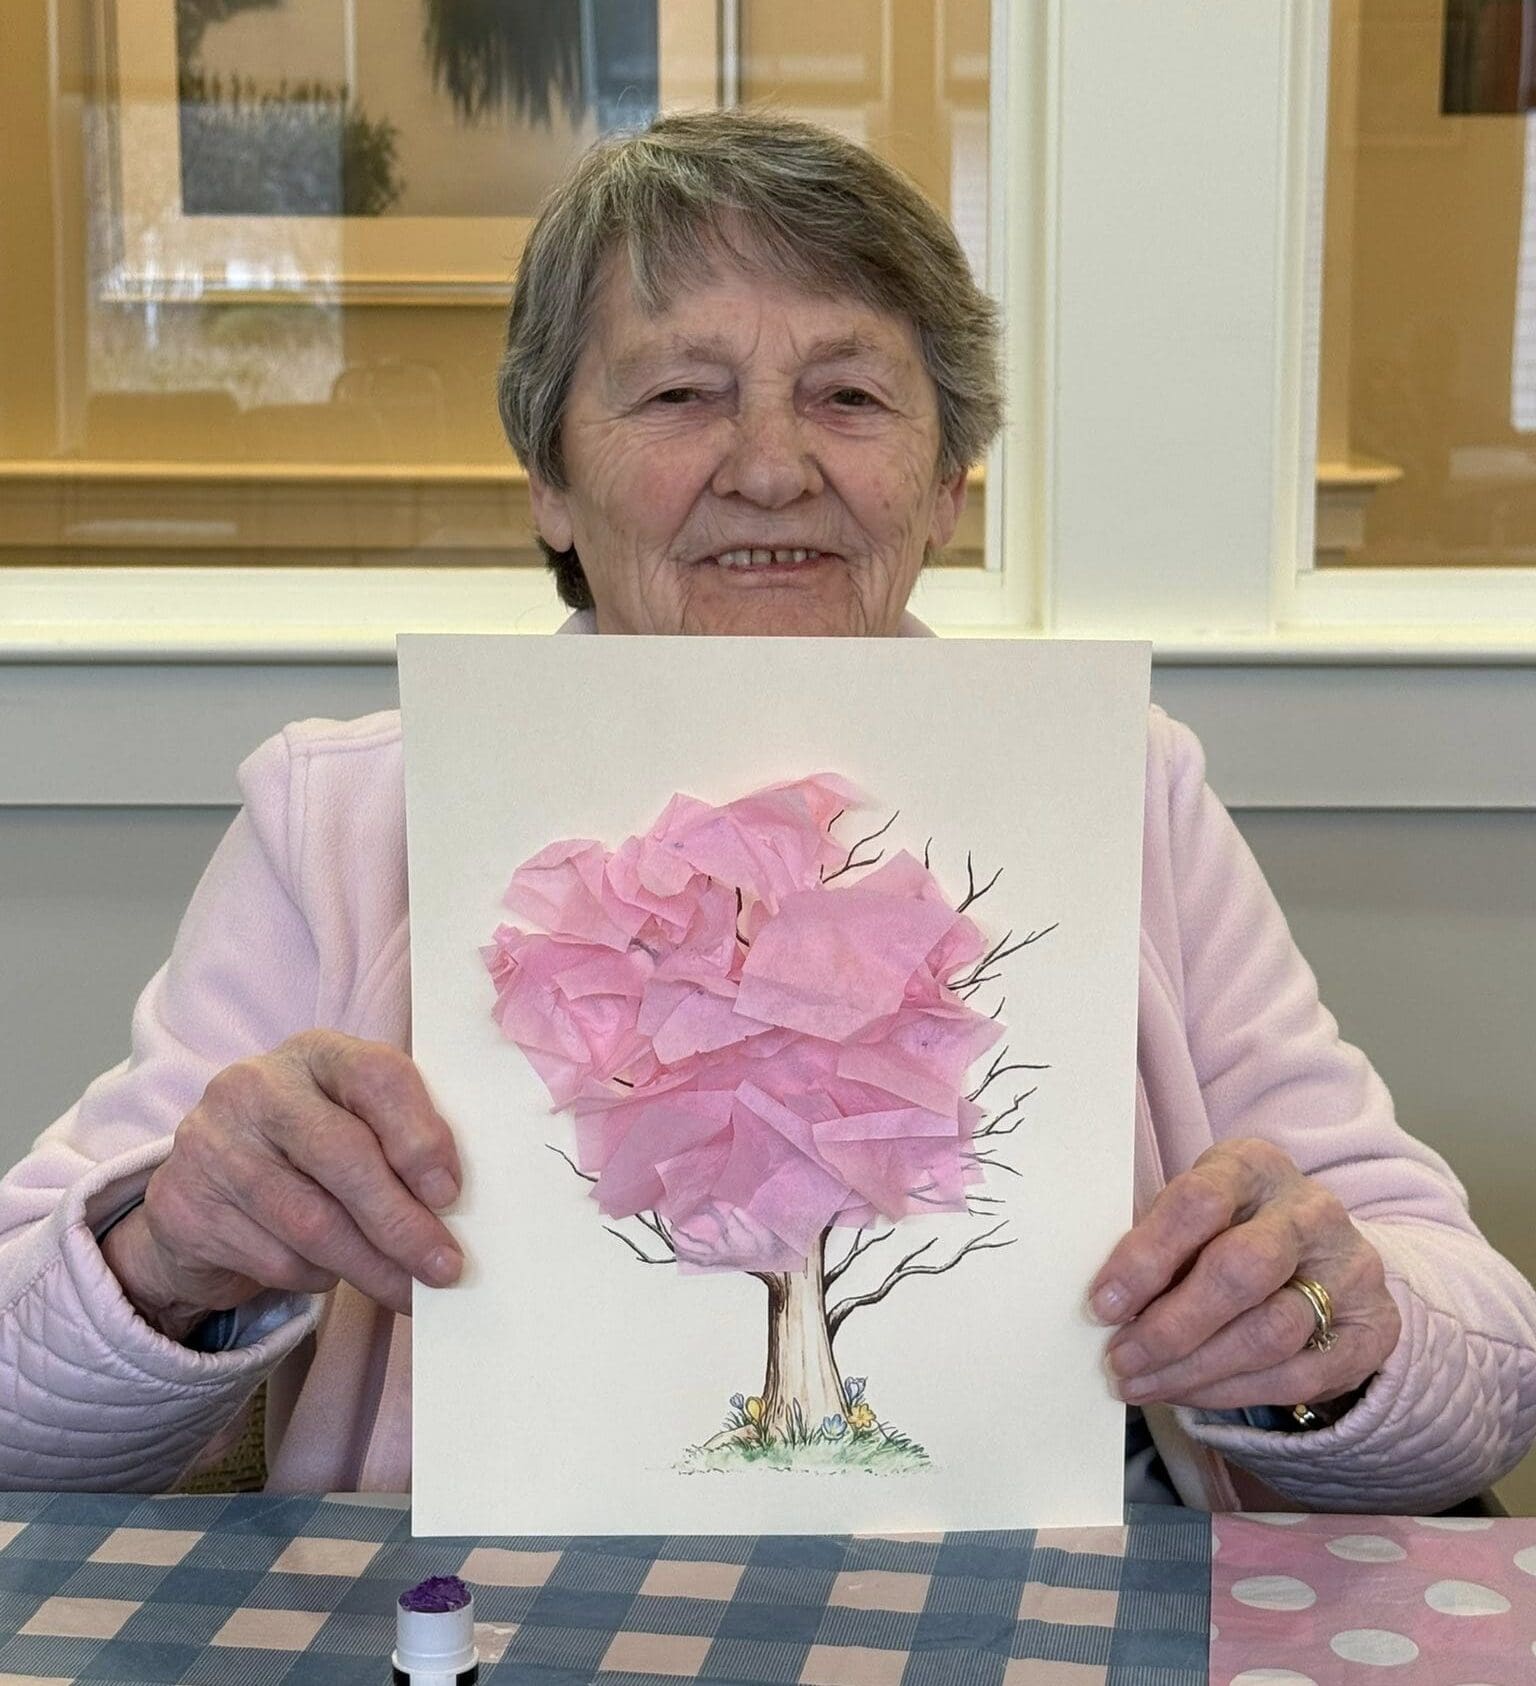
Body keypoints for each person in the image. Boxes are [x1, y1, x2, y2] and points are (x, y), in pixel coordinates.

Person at [3, 111, 1533, 1511]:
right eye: (682, 394)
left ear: (947, 482)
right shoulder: (341, 814)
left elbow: (1487, 1372)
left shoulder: (1126, 786)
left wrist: (1336, 1329)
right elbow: (22, 1417)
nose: (773, 467)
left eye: (849, 396)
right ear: (550, 478)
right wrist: (169, 1250)